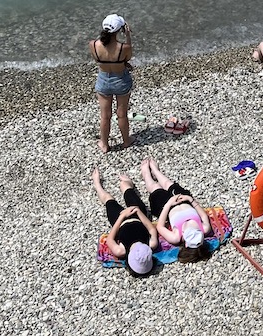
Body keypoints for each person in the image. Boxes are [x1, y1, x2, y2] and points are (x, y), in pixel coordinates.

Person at [142, 159, 213, 263]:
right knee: (168, 184)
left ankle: (146, 174)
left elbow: (160, 226)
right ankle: (156, 171)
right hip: (185, 200)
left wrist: (168, 204)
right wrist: (191, 200)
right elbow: (203, 216)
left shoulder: (176, 237)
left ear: (185, 242)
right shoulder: (204, 229)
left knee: (155, 187)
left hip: (166, 207)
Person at [91, 167, 158, 275]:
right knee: (125, 186)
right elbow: (150, 228)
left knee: (107, 198)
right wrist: (137, 212)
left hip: (120, 220)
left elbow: (110, 238)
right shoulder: (151, 244)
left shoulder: (121, 250)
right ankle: (128, 183)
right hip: (137, 215)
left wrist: (122, 216)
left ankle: (97, 185)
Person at [91, 14, 134, 153]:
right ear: (119, 30)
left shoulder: (93, 45)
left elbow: (100, 60)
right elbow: (127, 58)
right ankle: (126, 141)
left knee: (105, 115)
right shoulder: (124, 47)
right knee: (121, 114)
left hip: (103, 80)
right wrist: (127, 36)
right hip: (121, 80)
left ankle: (104, 144)